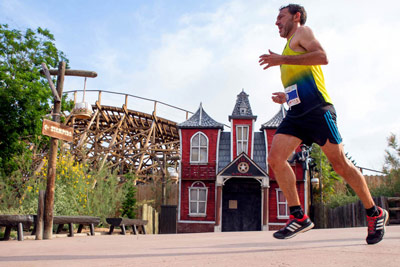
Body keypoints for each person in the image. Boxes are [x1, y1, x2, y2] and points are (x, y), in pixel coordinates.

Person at [259, 4, 388, 244]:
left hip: (318, 110)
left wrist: (282, 59)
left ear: (296, 16)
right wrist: (285, 96)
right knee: (275, 159)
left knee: (340, 164)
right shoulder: (288, 47)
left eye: (281, 17)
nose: (276, 22)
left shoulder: (303, 32)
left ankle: (375, 212)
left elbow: (323, 57)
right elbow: (303, 80)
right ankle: (299, 217)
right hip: (297, 113)